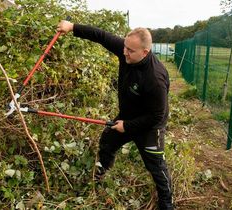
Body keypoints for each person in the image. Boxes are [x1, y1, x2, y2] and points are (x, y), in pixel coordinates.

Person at [57, 20, 173, 210]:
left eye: (130, 50)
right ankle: (100, 175)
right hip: (126, 117)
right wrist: (73, 27)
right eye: (125, 47)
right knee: (107, 142)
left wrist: (127, 126)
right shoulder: (127, 49)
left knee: (157, 167)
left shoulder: (155, 78)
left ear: (145, 52)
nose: (124, 52)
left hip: (150, 127)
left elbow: (157, 116)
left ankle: (167, 204)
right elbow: (101, 35)